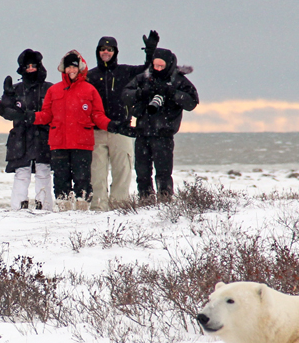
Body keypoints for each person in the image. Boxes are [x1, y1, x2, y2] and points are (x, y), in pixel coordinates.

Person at [30, 51, 130, 211]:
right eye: (68, 67)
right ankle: (64, 208)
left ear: (80, 68)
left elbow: (97, 116)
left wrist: (111, 125)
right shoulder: (54, 91)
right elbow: (45, 115)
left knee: (82, 178)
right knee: (61, 179)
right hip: (59, 143)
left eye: (74, 67)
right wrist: (30, 116)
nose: (71, 70)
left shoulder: (89, 90)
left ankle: (82, 207)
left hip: (82, 143)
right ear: (63, 69)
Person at [85, 31, 159, 210]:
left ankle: (119, 208)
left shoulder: (126, 71)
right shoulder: (90, 75)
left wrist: (150, 52)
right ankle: (98, 209)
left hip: (122, 130)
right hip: (96, 131)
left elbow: (149, 72)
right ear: (98, 51)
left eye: (110, 49)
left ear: (115, 52)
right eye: (103, 49)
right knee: (97, 174)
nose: (106, 52)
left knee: (122, 172)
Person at [121, 48, 199, 199]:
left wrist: (171, 93)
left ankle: (165, 200)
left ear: (168, 65)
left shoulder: (178, 80)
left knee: (163, 172)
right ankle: (145, 199)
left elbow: (192, 103)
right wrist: (141, 93)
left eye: (161, 66)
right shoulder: (144, 77)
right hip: (142, 133)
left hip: (164, 134)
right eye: (155, 65)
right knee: (142, 172)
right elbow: (125, 95)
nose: (157, 69)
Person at [0, 49, 54, 211]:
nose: (30, 69)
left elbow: (56, 112)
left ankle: (45, 205)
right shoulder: (15, 90)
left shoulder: (50, 89)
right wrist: (7, 96)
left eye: (33, 66)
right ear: (22, 68)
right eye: (27, 66)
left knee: (43, 171)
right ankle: (18, 207)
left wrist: (34, 117)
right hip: (20, 137)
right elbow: (2, 110)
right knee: (22, 173)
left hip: (44, 136)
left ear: (39, 66)